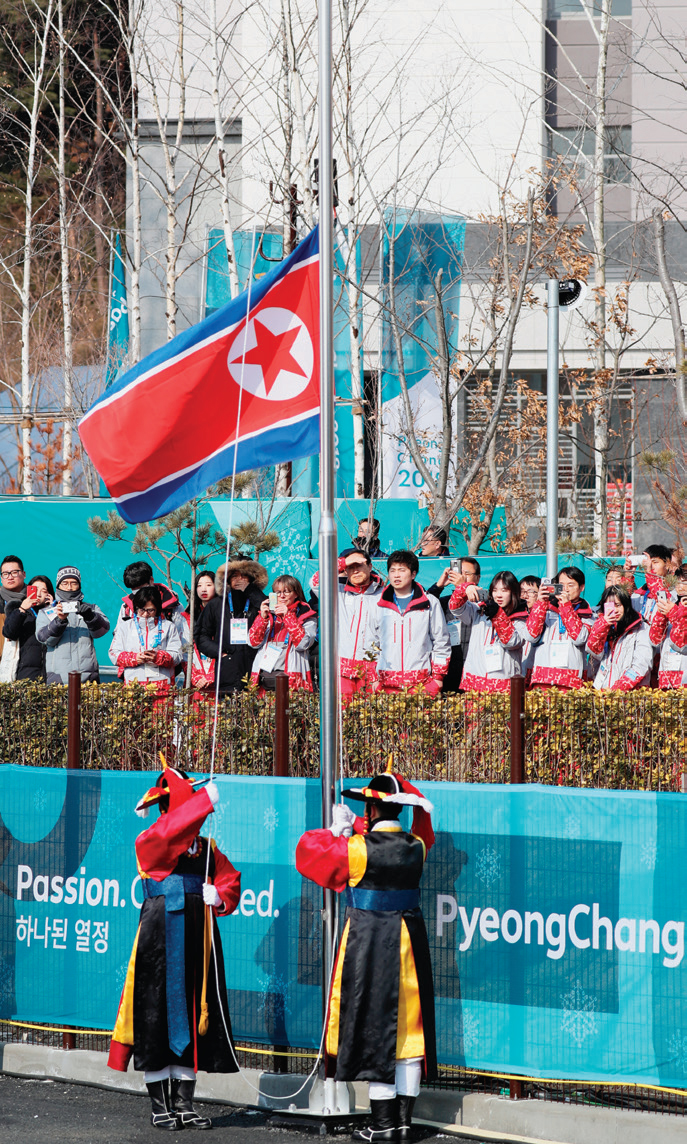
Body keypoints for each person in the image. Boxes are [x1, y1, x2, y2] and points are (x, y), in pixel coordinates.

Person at [295, 770, 436, 1144]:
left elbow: (307, 856)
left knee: (378, 1030)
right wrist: (409, 802)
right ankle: (403, 1124)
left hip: (372, 944)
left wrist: (335, 831)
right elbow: (423, 830)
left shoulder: (356, 849)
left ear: (372, 808)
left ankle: (382, 1125)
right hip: (410, 942)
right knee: (408, 1032)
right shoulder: (417, 846)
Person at [108, 764, 241, 1130]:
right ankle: (159, 1104)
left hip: (196, 937)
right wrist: (201, 803)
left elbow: (231, 880)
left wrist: (220, 895)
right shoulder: (151, 838)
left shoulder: (208, 849)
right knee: (156, 1012)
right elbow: (167, 837)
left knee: (190, 1011)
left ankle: (184, 1102)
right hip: (159, 938)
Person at [367, 550, 450, 697]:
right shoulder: (377, 604)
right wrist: (374, 679)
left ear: (413, 574)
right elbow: (370, 642)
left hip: (421, 684)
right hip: (386, 683)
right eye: (392, 570)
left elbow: (441, 642)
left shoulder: (430, 602)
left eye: (401, 570)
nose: (396, 575)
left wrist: (437, 678)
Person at [311, 549, 384, 700]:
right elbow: (316, 581)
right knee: (342, 718)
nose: (355, 570)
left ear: (370, 567)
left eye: (359, 565)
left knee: (372, 716)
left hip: (373, 669)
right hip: (342, 669)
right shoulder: (336, 592)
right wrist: (343, 562)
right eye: (350, 567)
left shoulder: (384, 594)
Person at [448, 570, 529, 692]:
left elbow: (511, 642)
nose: (499, 595)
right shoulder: (479, 610)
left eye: (504, 590)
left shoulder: (521, 617)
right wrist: (465, 587)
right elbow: (455, 607)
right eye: (495, 590)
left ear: (513, 592)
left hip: (503, 686)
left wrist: (497, 615)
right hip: (475, 682)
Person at [197, 559, 267, 693]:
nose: (239, 579)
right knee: (227, 710)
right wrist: (219, 652)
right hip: (226, 670)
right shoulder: (217, 604)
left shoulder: (257, 601)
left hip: (254, 667)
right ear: (227, 579)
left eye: (244, 576)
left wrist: (249, 590)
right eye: (235, 576)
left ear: (251, 579)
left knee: (253, 711)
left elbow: (269, 612)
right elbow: (201, 635)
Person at [35, 567, 110, 684]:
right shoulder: (46, 611)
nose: (69, 587)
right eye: (64, 583)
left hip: (89, 678)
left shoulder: (91, 608)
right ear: (58, 585)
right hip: (58, 679)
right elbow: (44, 639)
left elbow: (102, 631)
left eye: (73, 583)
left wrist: (90, 617)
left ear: (79, 585)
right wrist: (59, 621)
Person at [526, 567, 594, 689]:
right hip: (543, 677)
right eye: (561, 585)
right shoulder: (546, 608)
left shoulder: (588, 613)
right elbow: (531, 635)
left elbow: (579, 639)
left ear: (581, 587)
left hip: (570, 680)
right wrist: (540, 603)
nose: (566, 589)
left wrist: (566, 606)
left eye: (571, 585)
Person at [248, 575, 317, 693]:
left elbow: (303, 643)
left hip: (292, 677)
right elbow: (253, 643)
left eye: (287, 591)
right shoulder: (269, 615)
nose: (282, 596)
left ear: (296, 594)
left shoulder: (307, 615)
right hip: (265, 678)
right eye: (278, 592)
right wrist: (262, 618)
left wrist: (288, 616)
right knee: (265, 711)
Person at [109, 586, 184, 687]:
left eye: (150, 610)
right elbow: (113, 653)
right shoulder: (125, 626)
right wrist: (135, 658)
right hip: (134, 689)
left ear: (157, 608)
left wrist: (158, 657)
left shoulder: (169, 627)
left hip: (162, 689)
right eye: (141, 610)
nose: (145, 614)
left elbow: (178, 655)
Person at [586, 585, 653, 690]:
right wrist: (602, 627)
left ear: (626, 606)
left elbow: (642, 664)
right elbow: (593, 652)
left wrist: (618, 689)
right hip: (604, 691)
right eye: (610, 606)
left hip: (630, 694)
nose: (615, 610)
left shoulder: (641, 627)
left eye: (618, 605)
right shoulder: (604, 627)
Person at [2, 575, 54, 681]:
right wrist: (22, 609)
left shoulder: (54, 612)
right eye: (35, 589)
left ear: (49, 594)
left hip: (51, 675)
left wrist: (52, 611)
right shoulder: (19, 610)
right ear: (28, 591)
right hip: (26, 674)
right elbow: (9, 633)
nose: (38, 594)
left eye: (43, 590)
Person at [649, 565, 687, 688]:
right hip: (667, 674)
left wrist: (675, 613)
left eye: (685, 582)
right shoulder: (671, 604)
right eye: (677, 582)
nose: (680, 587)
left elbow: (683, 643)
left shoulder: (673, 609)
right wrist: (661, 613)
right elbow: (655, 640)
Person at [185, 570, 217, 690]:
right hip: (195, 681)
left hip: (218, 680)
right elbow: (184, 651)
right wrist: (195, 677)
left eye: (208, 585)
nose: (204, 589)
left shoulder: (225, 615)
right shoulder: (187, 617)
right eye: (199, 585)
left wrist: (213, 676)